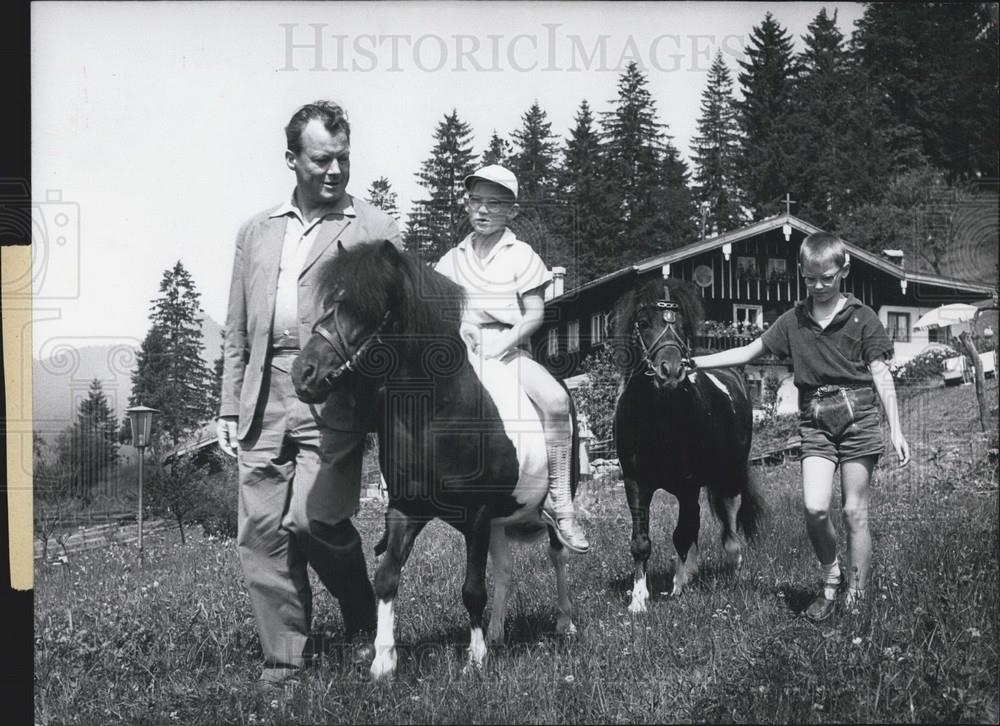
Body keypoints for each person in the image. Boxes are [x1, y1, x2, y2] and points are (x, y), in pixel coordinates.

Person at [216, 100, 402, 687]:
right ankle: (284, 662)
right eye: (322, 159)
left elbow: (395, 318)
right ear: (292, 159)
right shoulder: (256, 230)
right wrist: (227, 403)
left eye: (344, 158)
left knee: (312, 520)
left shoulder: (373, 227)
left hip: (335, 395)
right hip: (262, 394)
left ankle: (359, 610)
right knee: (263, 532)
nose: (335, 170)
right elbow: (238, 328)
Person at [690, 232, 910, 622]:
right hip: (816, 421)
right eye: (810, 279)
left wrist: (896, 428)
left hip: (860, 418)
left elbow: (880, 373)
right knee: (814, 508)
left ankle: (856, 593)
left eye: (826, 277)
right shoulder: (794, 320)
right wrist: (697, 362)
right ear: (801, 273)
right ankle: (831, 577)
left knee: (854, 512)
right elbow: (748, 351)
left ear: (844, 270)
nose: (819, 286)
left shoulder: (863, 318)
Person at [434, 164, 590, 554]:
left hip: (507, 349)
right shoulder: (451, 258)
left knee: (556, 401)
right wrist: (458, 332)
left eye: (494, 204)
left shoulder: (522, 254)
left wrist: (503, 342)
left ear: (511, 211)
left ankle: (560, 502)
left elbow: (534, 314)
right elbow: (438, 312)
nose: (482, 211)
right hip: (460, 351)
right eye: (475, 201)